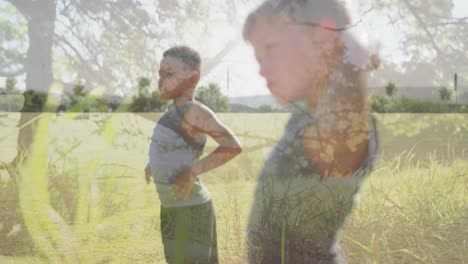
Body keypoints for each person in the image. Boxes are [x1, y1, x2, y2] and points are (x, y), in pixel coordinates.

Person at [243, 0, 379, 263]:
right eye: (258, 58)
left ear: (325, 34)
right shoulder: (305, 113)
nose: (261, 68)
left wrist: (347, 50)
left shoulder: (343, 119)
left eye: (270, 48)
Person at [144, 46, 242, 264]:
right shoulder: (170, 113)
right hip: (170, 209)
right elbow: (166, 146)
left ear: (193, 78)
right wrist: (153, 164)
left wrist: (194, 169)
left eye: (169, 74)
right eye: (160, 73)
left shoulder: (194, 112)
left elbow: (232, 145)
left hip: (191, 212)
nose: (161, 80)